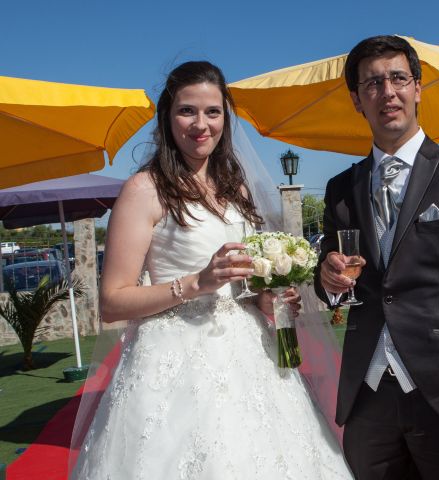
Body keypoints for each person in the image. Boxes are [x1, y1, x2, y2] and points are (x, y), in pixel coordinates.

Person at [71, 61, 352, 479]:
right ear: (167, 116)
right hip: (172, 364)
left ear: (226, 117)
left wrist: (270, 294)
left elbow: (242, 284)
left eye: (213, 112)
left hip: (252, 356)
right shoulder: (144, 190)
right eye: (187, 111)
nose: (201, 124)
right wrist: (196, 283)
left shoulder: (236, 189)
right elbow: (112, 303)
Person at [315, 35, 439, 479]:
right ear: (357, 100)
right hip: (367, 401)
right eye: (372, 83)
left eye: (398, 78)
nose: (387, 92)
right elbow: (330, 282)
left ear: (418, 88)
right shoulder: (340, 189)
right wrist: (327, 279)